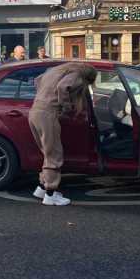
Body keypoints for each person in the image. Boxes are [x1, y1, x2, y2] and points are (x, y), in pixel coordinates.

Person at [29, 63, 98, 207]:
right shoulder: (77, 74)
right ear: (87, 80)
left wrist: (43, 96)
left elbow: (37, 80)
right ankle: (50, 194)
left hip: (35, 111)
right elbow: (62, 88)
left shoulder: (54, 70)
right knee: (54, 154)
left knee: (47, 152)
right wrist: (65, 106)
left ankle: (42, 187)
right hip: (49, 114)